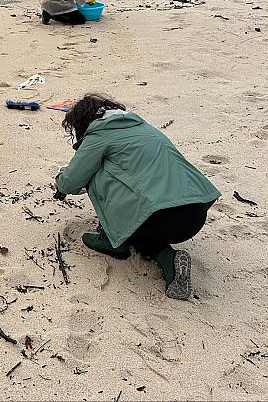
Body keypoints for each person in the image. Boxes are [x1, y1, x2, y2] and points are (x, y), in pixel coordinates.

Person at [54, 94, 221, 300]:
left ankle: (112, 241)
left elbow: (71, 181)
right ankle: (170, 259)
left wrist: (60, 180)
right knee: (145, 226)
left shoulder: (99, 135)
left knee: (95, 171)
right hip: (196, 211)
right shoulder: (144, 127)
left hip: (159, 215)